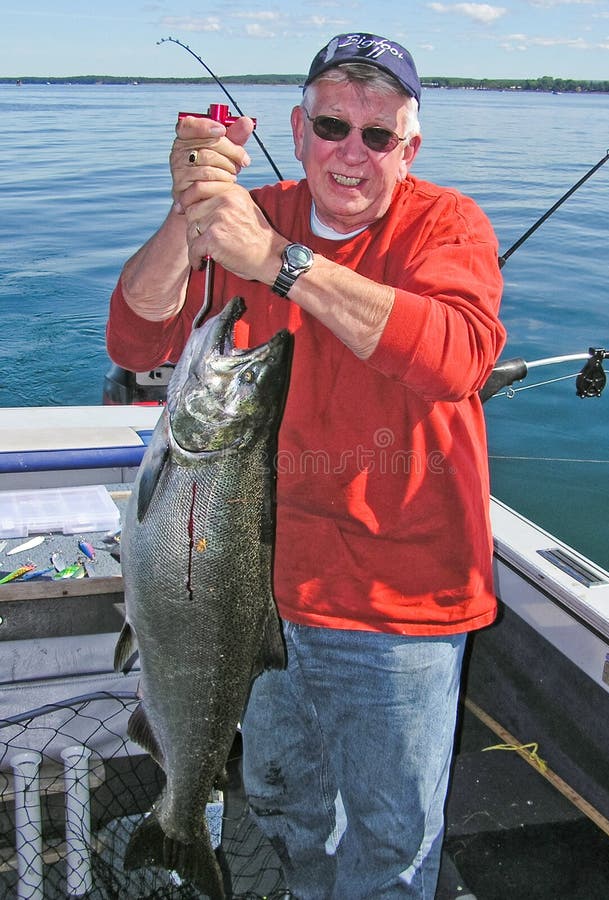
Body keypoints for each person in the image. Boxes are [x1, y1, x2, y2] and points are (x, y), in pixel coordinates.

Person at [106, 31, 506, 899]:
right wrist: (191, 212)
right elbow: (134, 338)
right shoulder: (250, 218)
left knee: (391, 844)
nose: (350, 153)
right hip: (258, 600)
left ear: (411, 147)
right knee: (287, 817)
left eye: (378, 134)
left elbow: (454, 357)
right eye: (332, 125)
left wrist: (278, 264)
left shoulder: (448, 225)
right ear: (296, 128)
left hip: (400, 608)